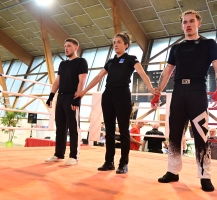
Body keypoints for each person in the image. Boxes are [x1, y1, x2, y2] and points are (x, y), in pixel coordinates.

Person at [153, 10, 217, 192]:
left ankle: (205, 176)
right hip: (178, 91)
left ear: (198, 24)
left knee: (201, 134)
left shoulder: (209, 44)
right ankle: (173, 171)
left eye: (192, 21)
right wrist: (157, 92)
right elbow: (167, 71)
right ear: (182, 25)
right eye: (185, 22)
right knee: (175, 134)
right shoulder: (176, 48)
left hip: (197, 91)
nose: (188, 25)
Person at [74, 33, 158, 174]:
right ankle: (109, 162)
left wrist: (151, 89)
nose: (116, 44)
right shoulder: (111, 61)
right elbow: (98, 77)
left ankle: (123, 163)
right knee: (109, 130)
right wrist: (83, 91)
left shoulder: (131, 59)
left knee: (124, 130)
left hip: (123, 94)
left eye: (119, 42)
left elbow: (142, 73)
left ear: (126, 45)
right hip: (108, 95)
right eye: (114, 42)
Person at [45, 38, 88, 166]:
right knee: (60, 128)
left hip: (72, 96)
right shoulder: (63, 64)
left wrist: (77, 99)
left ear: (76, 47)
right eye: (64, 46)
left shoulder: (81, 62)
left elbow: (82, 81)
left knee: (73, 128)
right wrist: (51, 96)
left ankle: (74, 156)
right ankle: (59, 154)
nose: (66, 48)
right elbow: (57, 81)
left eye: (69, 46)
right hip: (61, 97)